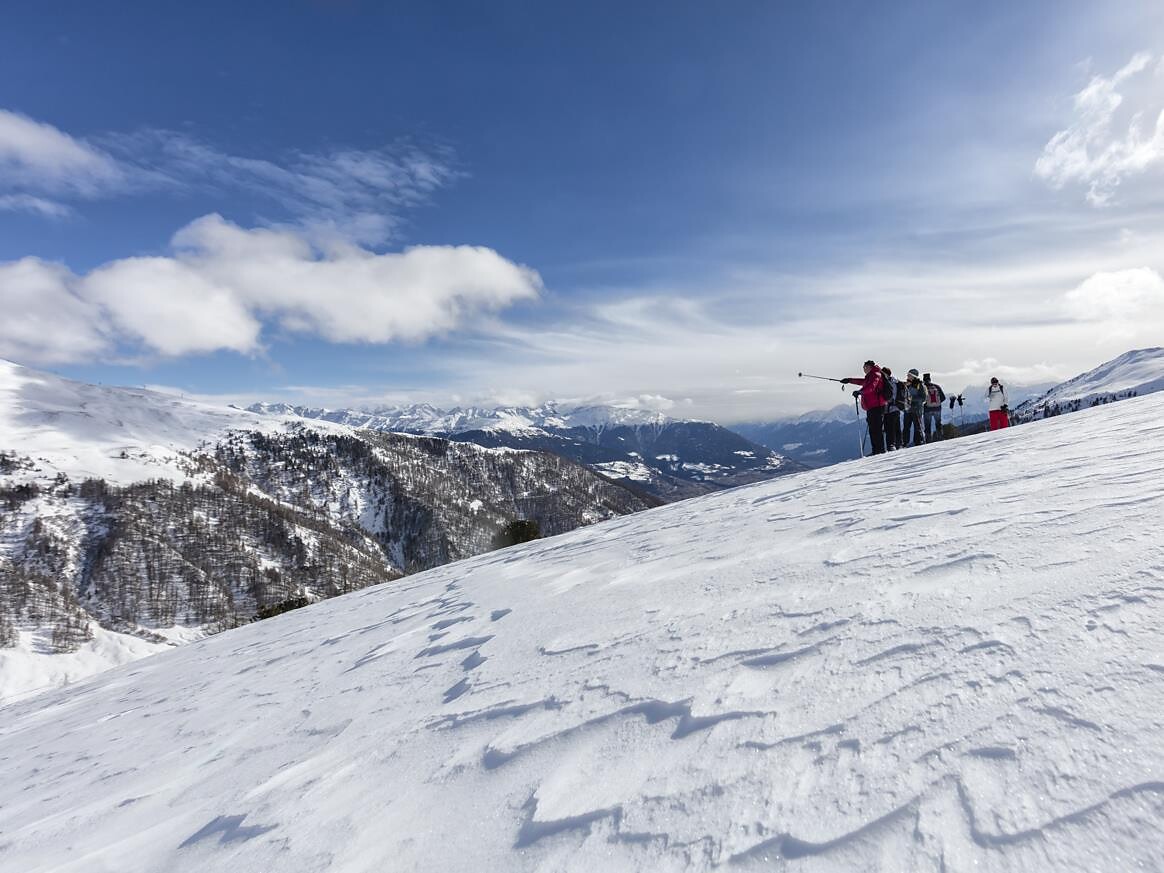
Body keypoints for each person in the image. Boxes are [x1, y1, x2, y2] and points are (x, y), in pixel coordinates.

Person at [840, 360, 888, 455]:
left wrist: (860, 392)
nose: (863, 369)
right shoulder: (871, 376)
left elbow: (871, 387)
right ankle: (877, 450)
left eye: (865, 367)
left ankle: (880, 450)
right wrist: (849, 380)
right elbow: (863, 382)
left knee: (876, 429)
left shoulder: (876, 375)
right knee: (873, 429)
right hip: (872, 406)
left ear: (869, 367)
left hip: (877, 406)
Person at [903, 369, 927, 446]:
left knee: (917, 426)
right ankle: (905, 443)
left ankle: (918, 442)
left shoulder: (920, 385)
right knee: (906, 427)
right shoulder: (907, 384)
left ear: (913, 376)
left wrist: (911, 399)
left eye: (909, 375)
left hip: (916, 409)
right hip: (908, 409)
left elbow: (923, 397)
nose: (907, 376)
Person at [881, 366, 902, 450]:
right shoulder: (896, 381)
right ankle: (899, 444)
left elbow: (889, 396)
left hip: (889, 408)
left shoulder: (887, 382)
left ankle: (891, 445)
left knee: (889, 428)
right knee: (897, 427)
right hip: (897, 407)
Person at [922, 373, 946, 442]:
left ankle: (928, 440)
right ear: (930, 379)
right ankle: (940, 438)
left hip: (927, 409)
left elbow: (922, 399)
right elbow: (943, 398)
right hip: (937, 408)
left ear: (924, 380)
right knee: (938, 424)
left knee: (927, 425)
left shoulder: (923, 387)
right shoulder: (936, 386)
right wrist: (937, 403)